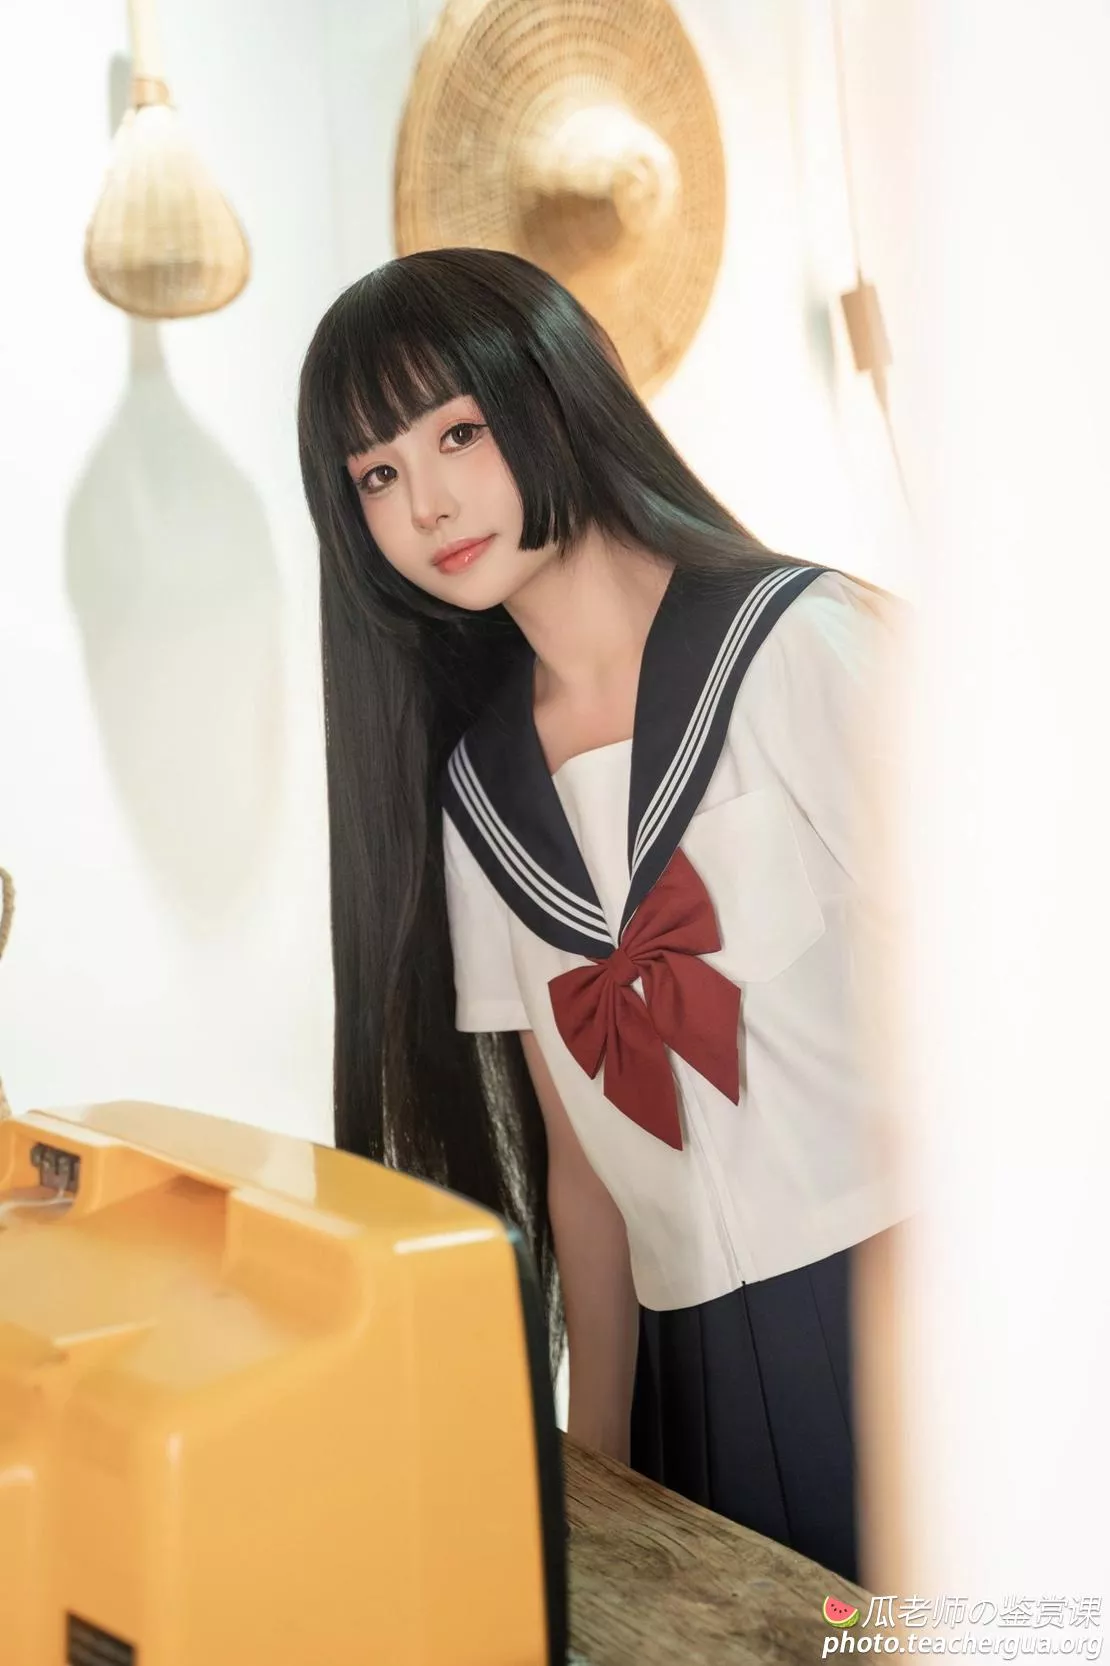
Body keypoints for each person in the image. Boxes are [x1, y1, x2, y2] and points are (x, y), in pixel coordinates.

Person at [297, 246, 905, 1583]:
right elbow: (581, 1175)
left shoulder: (799, 642)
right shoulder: (477, 795)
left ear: (555, 395)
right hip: (687, 1373)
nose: (426, 502)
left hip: (904, 1304)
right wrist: (602, 1471)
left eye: (456, 431)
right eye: (376, 475)